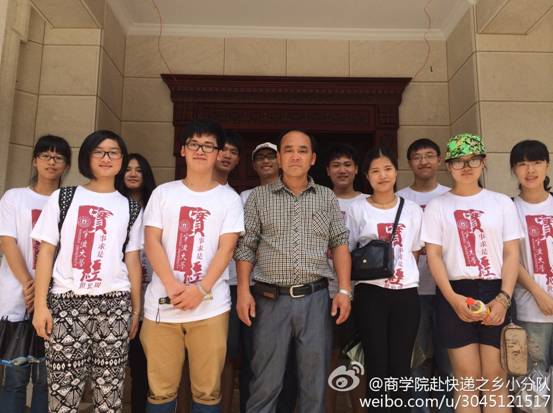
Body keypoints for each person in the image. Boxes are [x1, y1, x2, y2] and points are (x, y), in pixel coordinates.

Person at [235, 129, 352, 413]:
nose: (295, 156)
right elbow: (246, 247)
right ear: (279, 158)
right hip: (269, 300)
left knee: (314, 383)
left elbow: (339, 244)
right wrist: (243, 292)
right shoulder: (259, 197)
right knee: (265, 382)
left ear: (313, 159)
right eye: (288, 150)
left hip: (315, 298)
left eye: (302, 150)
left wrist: (344, 290)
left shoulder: (325, 196)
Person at [31, 130, 143, 412]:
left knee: (109, 397)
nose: (107, 158)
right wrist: (41, 306)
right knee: (63, 398)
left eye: (114, 152)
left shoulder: (130, 207)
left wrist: (135, 311)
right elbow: (46, 252)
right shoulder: (64, 197)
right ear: (87, 157)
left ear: (121, 159)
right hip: (66, 303)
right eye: (99, 152)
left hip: (114, 306)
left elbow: (132, 260)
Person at [140, 119, 244, 413]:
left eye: (208, 146)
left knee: (207, 392)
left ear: (218, 153)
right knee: (160, 391)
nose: (201, 150)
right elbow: (151, 241)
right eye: (194, 144)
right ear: (183, 150)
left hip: (210, 306)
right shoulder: (163, 193)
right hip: (162, 304)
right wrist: (173, 286)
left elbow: (227, 248)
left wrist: (200, 289)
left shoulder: (229, 199)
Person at [422, 133, 521, 413]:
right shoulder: (438, 206)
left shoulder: (501, 203)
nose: (466, 167)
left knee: (495, 376)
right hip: (455, 291)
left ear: (484, 162)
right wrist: (453, 298)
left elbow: (511, 253)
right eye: (458, 161)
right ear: (448, 166)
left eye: (473, 160)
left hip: (496, 290)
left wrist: (504, 298)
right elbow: (433, 255)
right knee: (466, 377)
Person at [345, 146, 423, 412]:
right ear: (366, 176)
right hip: (370, 294)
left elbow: (414, 251)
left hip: (406, 294)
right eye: (375, 171)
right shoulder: (357, 209)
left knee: (401, 365)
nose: (382, 175)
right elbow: (348, 250)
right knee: (376, 364)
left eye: (387, 169)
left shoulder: (412, 209)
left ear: (396, 172)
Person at [0, 135, 71, 413]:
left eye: (58, 157)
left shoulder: (69, 201)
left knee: (46, 381)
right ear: (34, 160)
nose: (51, 162)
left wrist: (43, 289)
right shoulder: (15, 197)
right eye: (45, 155)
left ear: (66, 166)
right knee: (15, 379)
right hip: (16, 297)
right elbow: (7, 241)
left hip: (56, 299)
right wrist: (30, 285)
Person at [239, 141, 298, 413]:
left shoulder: (296, 193)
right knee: (256, 354)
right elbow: (245, 243)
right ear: (253, 165)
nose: (265, 161)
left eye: (270, 156)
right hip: (256, 287)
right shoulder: (245, 197)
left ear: (280, 161)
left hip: (291, 287)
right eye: (259, 157)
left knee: (290, 357)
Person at [395, 138, 451, 413]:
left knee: (448, 358)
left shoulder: (451, 196)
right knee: (416, 359)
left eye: (430, 155)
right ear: (409, 163)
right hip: (413, 291)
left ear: (440, 160)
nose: (424, 161)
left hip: (450, 292)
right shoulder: (399, 199)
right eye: (417, 156)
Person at [324, 144, 366, 413]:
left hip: (361, 292)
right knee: (327, 355)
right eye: (336, 165)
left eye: (347, 164)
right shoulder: (317, 199)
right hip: (322, 290)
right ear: (327, 170)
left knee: (357, 357)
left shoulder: (369, 201)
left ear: (357, 169)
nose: (342, 170)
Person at [117, 153, 158, 413]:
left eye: (139, 170)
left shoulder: (156, 204)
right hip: (118, 291)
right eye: (128, 169)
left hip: (150, 292)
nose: (133, 174)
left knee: (142, 364)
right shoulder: (114, 204)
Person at [510, 140, 553, 373]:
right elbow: (510, 259)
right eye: (522, 164)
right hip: (530, 309)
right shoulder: (508, 209)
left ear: (547, 165)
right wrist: (539, 294)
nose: (530, 170)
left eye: (537, 162)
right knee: (533, 383)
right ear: (513, 169)